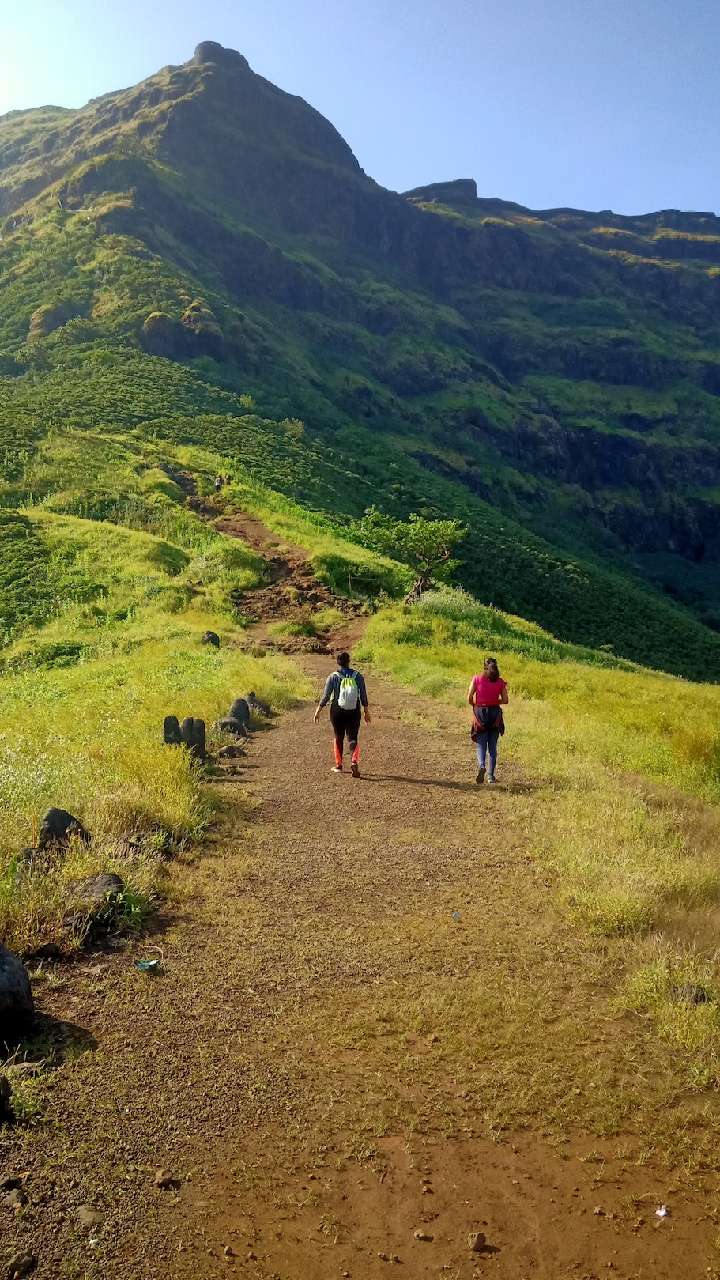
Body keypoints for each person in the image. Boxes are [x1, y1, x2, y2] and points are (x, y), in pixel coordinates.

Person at [314, 651, 370, 777]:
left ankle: (339, 765)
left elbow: (326, 696)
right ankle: (354, 761)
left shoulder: (333, 677)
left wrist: (318, 710)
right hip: (354, 710)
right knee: (353, 737)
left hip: (337, 711)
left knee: (338, 737)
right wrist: (366, 712)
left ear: (338, 662)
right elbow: (363, 696)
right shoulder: (358, 676)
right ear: (349, 661)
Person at [468, 656, 509, 785]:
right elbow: (505, 700)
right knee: (492, 747)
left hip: (480, 713)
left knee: (481, 744)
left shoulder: (476, 679)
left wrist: (477, 704)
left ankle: (481, 765)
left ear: (484, 667)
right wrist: (495, 701)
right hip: (494, 714)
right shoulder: (500, 682)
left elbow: (469, 697)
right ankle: (491, 776)